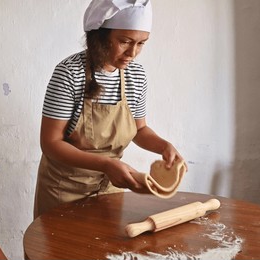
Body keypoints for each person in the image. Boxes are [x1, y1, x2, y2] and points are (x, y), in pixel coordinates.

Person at [34, 0, 185, 218]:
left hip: (110, 187)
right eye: (125, 41)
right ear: (100, 37)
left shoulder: (136, 76)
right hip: (64, 190)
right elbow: (50, 143)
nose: (132, 52)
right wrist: (106, 164)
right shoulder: (69, 74)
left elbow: (139, 130)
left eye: (141, 43)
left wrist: (164, 146)